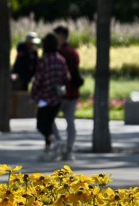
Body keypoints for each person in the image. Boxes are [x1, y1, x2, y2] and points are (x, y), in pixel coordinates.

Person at [31, 33, 70, 162]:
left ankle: (55, 141)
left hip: (44, 99)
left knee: (41, 124)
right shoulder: (61, 59)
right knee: (48, 123)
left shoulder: (44, 60)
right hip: (57, 99)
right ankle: (47, 151)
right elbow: (67, 77)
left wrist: (33, 94)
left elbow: (38, 79)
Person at [52, 25, 84, 161]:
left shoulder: (58, 54)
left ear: (61, 37)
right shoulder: (74, 53)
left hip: (60, 93)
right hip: (73, 92)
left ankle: (59, 142)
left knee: (49, 119)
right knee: (70, 122)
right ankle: (69, 149)